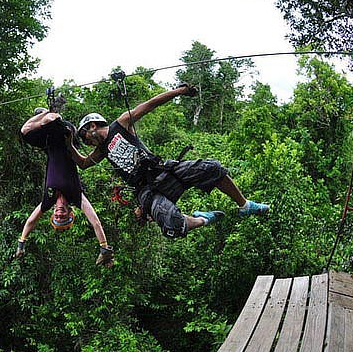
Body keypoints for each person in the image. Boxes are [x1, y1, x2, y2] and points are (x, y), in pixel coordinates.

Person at [68, 83, 270, 239]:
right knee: (173, 226)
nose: (87, 140)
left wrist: (178, 91)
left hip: (164, 171)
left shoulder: (121, 124)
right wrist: (68, 145)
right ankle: (202, 219)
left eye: (85, 136)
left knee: (213, 168)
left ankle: (245, 205)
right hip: (148, 191)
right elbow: (84, 163)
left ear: (92, 126)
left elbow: (150, 105)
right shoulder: (101, 151)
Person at [15, 107, 114, 266]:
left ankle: (45, 111)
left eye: (57, 217)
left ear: (53, 214)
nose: (60, 214)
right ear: (70, 213)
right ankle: (54, 109)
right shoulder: (76, 196)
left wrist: (21, 244)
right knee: (49, 121)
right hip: (67, 136)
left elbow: (30, 221)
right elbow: (95, 221)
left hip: (48, 143)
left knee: (25, 130)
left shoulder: (48, 199)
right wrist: (104, 248)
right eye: (63, 217)